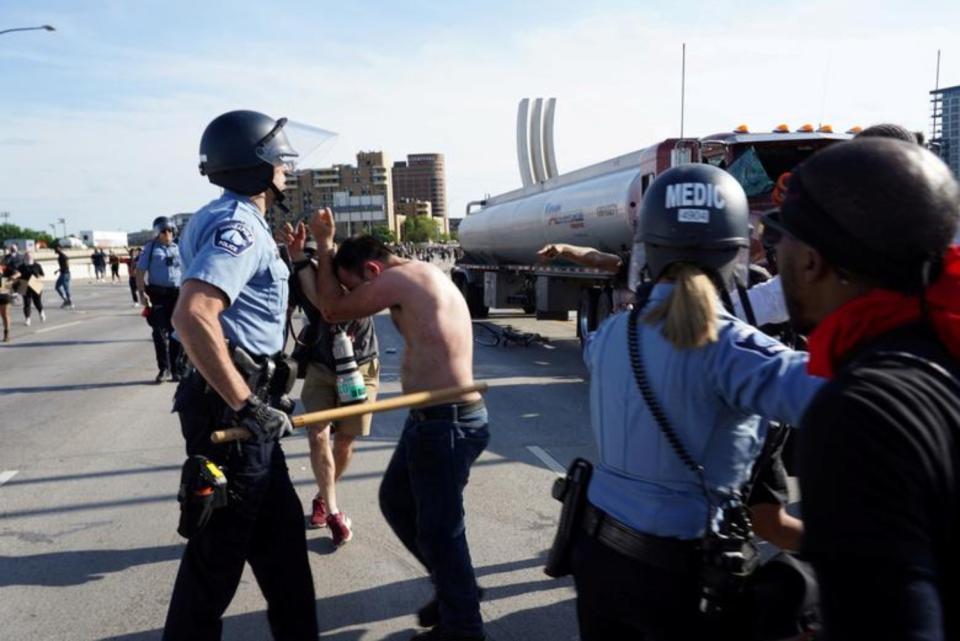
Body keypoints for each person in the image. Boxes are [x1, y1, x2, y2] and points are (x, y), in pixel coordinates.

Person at [574, 164, 824, 640]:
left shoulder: (609, 335)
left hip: (600, 560)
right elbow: (847, 405)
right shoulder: (733, 348)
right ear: (734, 250)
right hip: (683, 576)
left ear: (651, 246)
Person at [767, 138, 960, 641]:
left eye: (781, 237)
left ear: (812, 261)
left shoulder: (860, 414)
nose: (775, 251)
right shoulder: (943, 350)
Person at [291, 210, 488, 641]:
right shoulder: (417, 276)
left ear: (373, 270)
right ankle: (458, 590)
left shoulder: (403, 279)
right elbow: (330, 303)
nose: (358, 296)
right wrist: (307, 263)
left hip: (447, 420)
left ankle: (464, 627)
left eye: (357, 284)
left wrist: (323, 246)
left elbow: (331, 309)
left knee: (441, 530)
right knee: (398, 502)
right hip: (434, 419)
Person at [162, 109, 317, 641]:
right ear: (253, 164)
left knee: (284, 557)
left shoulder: (223, 216)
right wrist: (248, 403)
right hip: (234, 420)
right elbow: (193, 314)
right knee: (215, 564)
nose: (287, 167)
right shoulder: (239, 227)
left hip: (245, 413)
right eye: (278, 157)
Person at [284, 234, 380, 546]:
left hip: (361, 367)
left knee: (344, 442)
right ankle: (333, 511)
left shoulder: (355, 279)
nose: (314, 267)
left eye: (319, 261)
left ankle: (323, 497)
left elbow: (330, 302)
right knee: (318, 435)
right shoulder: (301, 280)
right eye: (308, 262)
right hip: (322, 368)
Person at [137, 216, 184, 383]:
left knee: (176, 333)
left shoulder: (179, 248)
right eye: (164, 231)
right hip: (157, 294)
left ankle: (176, 369)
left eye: (170, 230)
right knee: (158, 332)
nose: (168, 234)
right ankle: (164, 369)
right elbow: (140, 271)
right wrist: (142, 293)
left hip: (177, 294)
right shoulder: (150, 249)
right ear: (157, 232)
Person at [16, 251, 45, 327]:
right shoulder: (21, 266)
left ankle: (41, 312)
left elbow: (42, 275)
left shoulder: (37, 265)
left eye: (29, 256)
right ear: (24, 257)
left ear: (32, 257)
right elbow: (17, 276)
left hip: (35, 283)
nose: (28, 257)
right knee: (26, 303)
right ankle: (27, 319)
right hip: (24, 284)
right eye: (26, 256)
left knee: (37, 302)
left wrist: (39, 280)